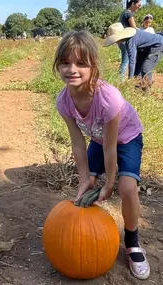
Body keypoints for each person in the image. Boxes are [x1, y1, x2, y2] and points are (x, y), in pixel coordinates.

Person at [54, 30, 150, 280]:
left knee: (127, 188)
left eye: (80, 63)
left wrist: (110, 183)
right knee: (87, 188)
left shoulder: (108, 98)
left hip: (126, 139)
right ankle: (83, 237)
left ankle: (132, 241)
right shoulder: (63, 101)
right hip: (98, 140)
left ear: (93, 67)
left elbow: (111, 148)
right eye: (65, 62)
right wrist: (85, 178)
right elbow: (77, 143)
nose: (71, 69)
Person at [104, 22, 163, 87]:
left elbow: (132, 61)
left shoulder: (130, 40)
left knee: (146, 68)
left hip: (158, 44)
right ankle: (136, 89)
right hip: (145, 48)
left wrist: (130, 80)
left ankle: (146, 91)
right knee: (137, 69)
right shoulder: (127, 40)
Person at [118, 0, 142, 78]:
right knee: (126, 61)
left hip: (121, 39)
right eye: (139, 4)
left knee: (124, 61)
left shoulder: (124, 12)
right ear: (133, 4)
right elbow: (134, 28)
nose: (140, 6)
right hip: (126, 40)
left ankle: (121, 79)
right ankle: (121, 80)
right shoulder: (129, 13)